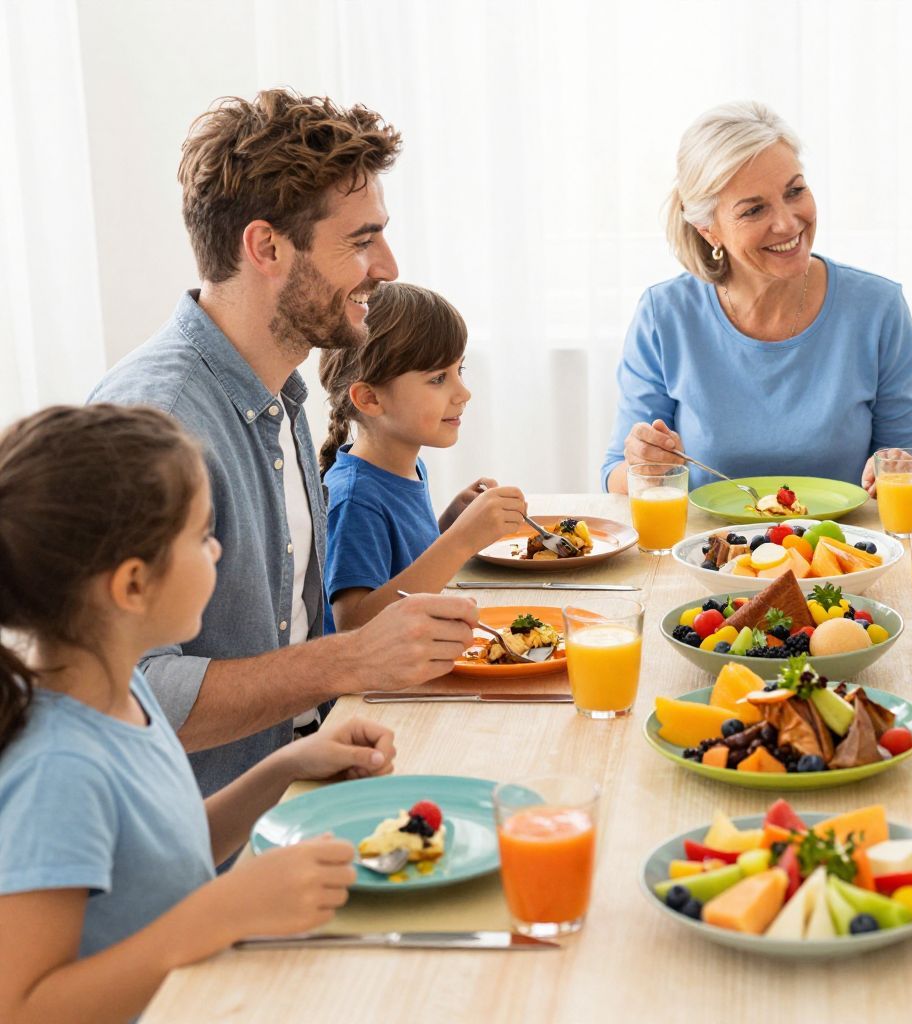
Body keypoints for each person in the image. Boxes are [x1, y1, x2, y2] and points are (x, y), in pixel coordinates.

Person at [89, 90, 476, 796]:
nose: (386, 266)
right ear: (267, 247)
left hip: (306, 774)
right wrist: (348, 660)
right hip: (211, 848)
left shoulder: (280, 392)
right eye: (361, 241)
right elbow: (128, 691)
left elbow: (295, 634)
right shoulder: (156, 423)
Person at [0, 405, 394, 1023]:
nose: (216, 550)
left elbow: (164, 859)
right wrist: (224, 912)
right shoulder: (57, 769)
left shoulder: (123, 691)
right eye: (201, 535)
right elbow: (25, 1008)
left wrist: (286, 768)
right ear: (132, 586)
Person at [601, 100, 912, 497]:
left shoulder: (878, 308)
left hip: (844, 553)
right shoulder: (665, 314)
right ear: (709, 230)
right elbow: (615, 474)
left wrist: (899, 469)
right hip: (708, 554)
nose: (788, 223)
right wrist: (643, 467)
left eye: (795, 192)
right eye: (754, 209)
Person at [318, 282, 527, 632]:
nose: (463, 393)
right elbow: (355, 626)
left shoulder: (406, 467)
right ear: (370, 398)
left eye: (459, 371)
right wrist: (460, 541)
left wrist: (447, 524)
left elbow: (401, 576)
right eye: (437, 379)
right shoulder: (355, 500)